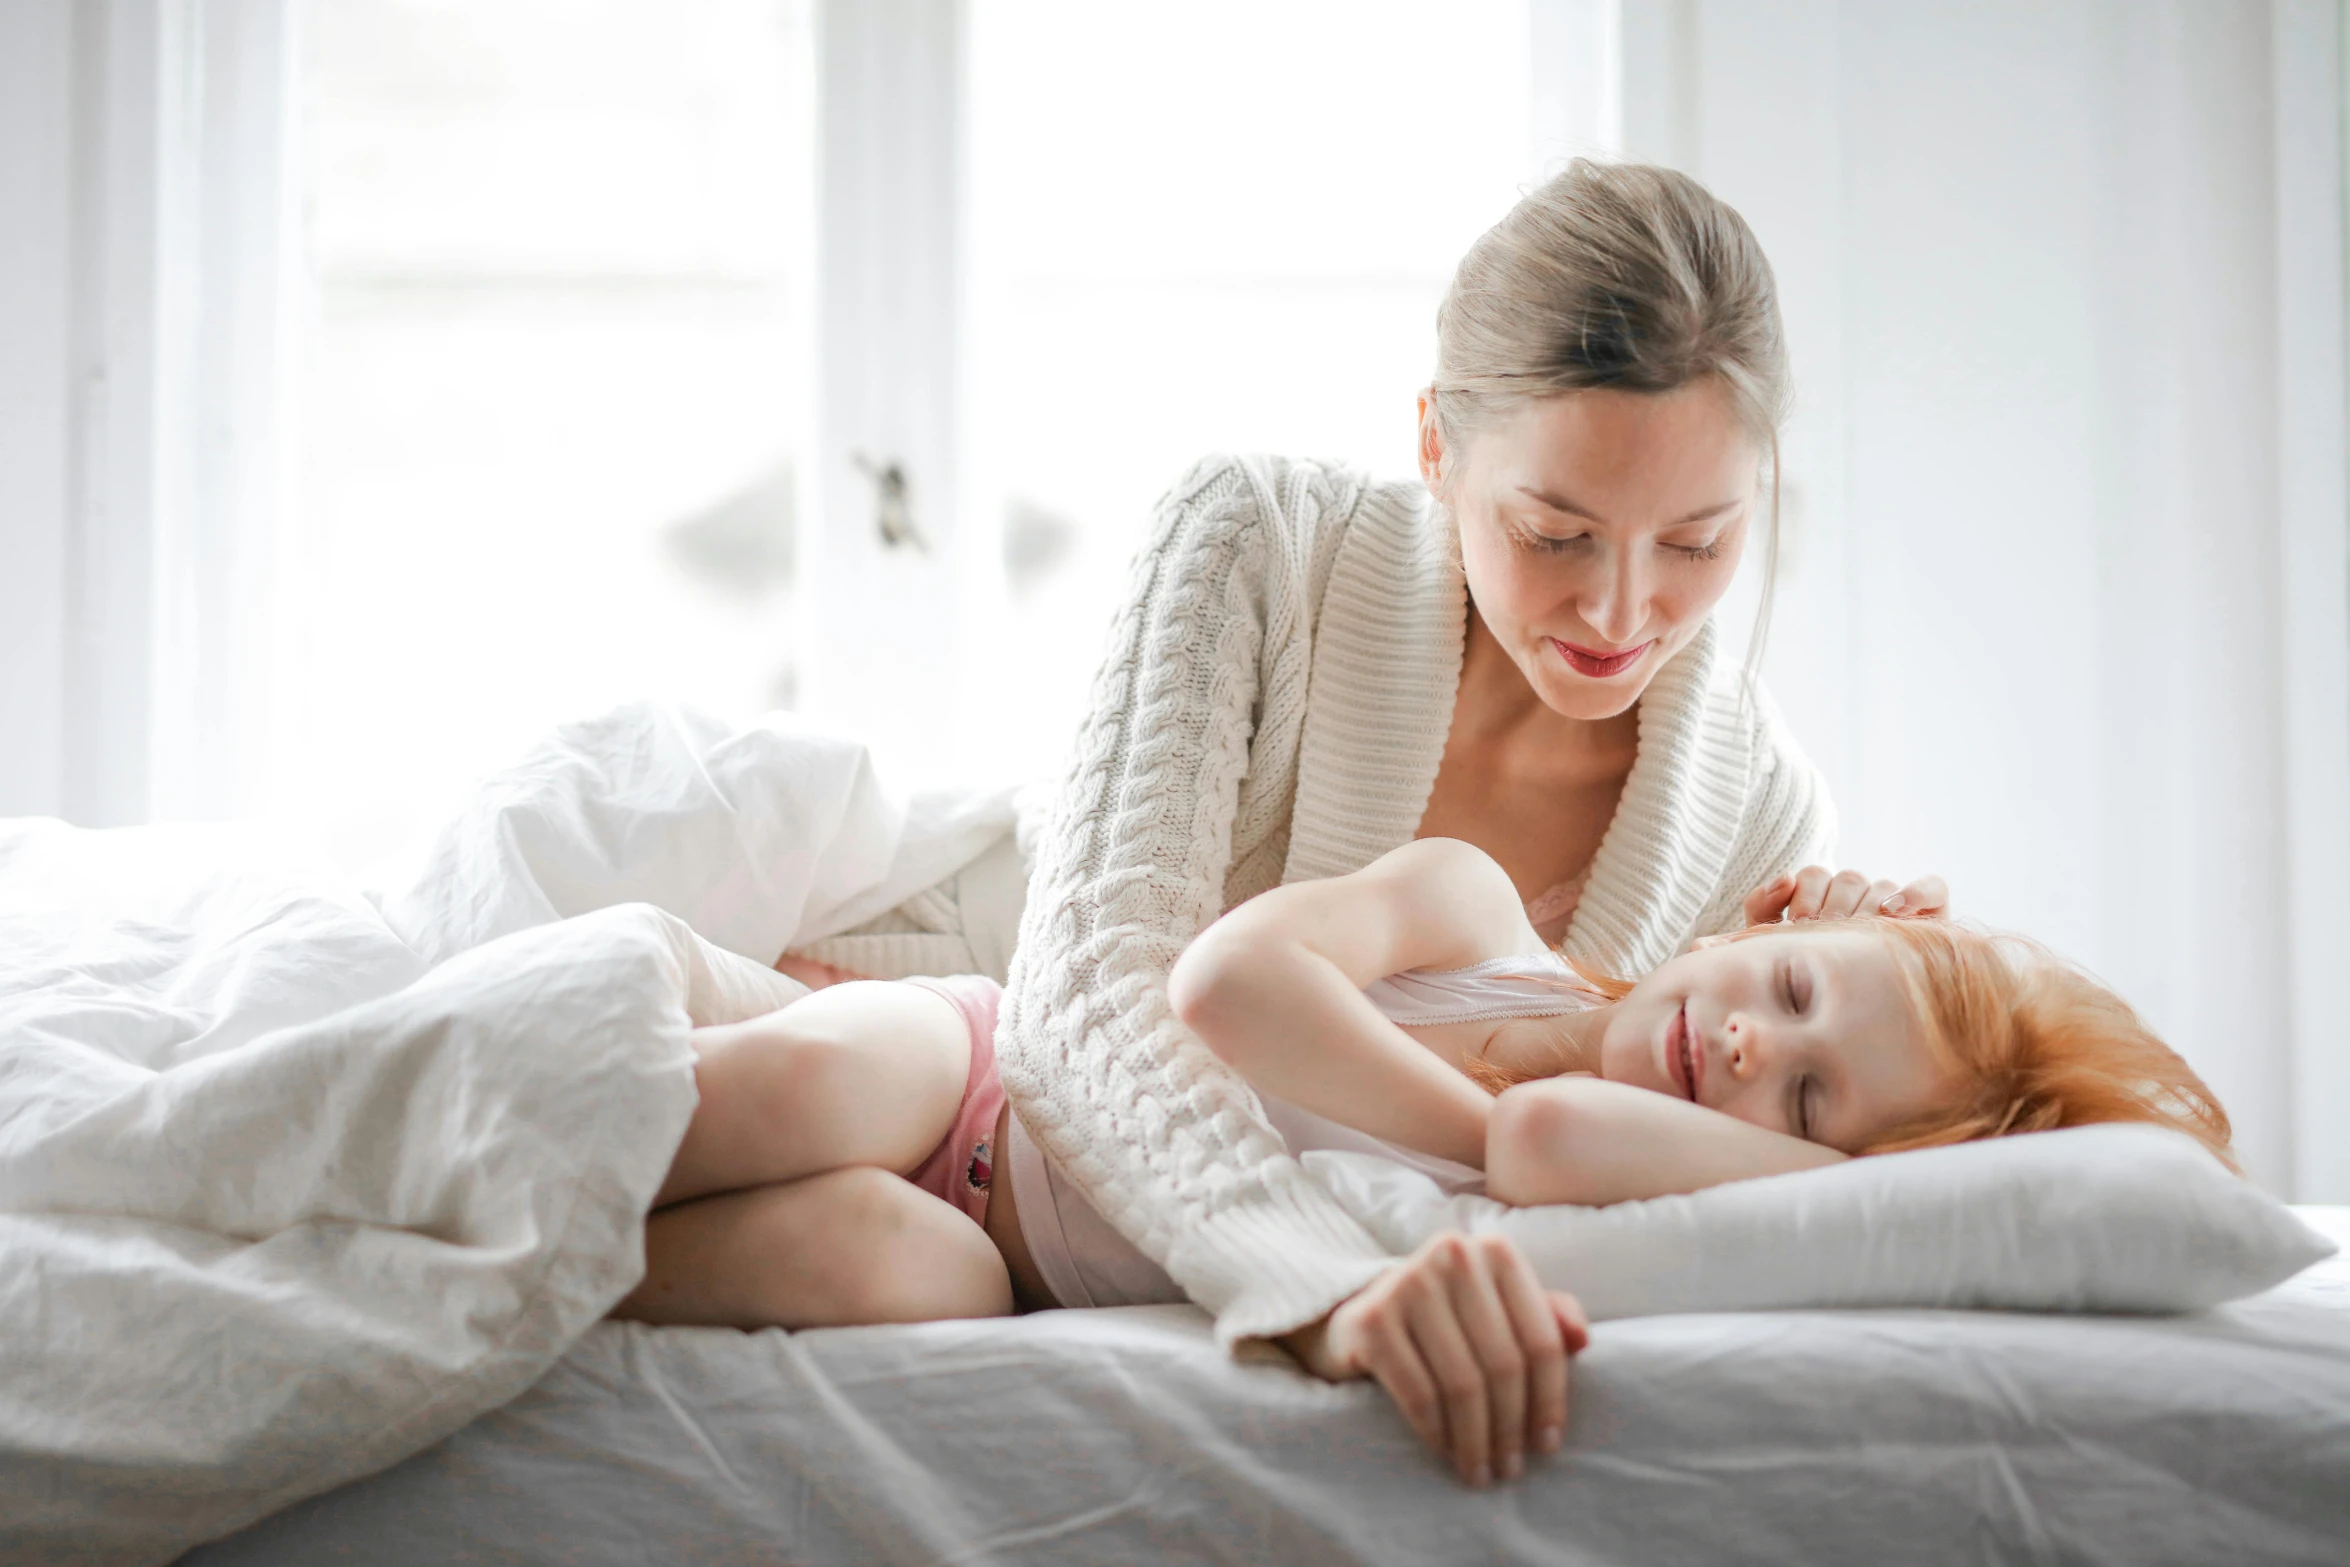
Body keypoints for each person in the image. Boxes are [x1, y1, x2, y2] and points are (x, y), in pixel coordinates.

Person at [977, 155, 1939, 1483]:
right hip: (955, 1007)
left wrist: (1864, 996)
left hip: (1029, 1231)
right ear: (1435, 444)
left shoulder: (1763, 813)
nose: (1618, 614)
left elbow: (1663, 1176)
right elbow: (1086, 989)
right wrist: (1317, 1279)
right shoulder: (1256, 540)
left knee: (862, 1255)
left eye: (1695, 542)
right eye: (1554, 533)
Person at [622, 837, 2232, 1494]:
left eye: (1805, 1104)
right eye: (1791, 992)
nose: (1751, 1049)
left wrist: (1761, 1160)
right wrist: (1484, 1120)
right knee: (823, 1084)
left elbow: (1545, 1139)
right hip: (991, 1068)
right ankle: (530, 1134)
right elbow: (1223, 987)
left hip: (1002, 1258)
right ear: (1770, 920)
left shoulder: (1622, 1174)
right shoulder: (1475, 913)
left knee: (881, 1276)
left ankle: (531, 1265)